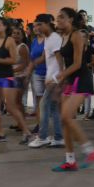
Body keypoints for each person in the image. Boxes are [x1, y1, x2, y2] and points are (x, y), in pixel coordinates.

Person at [50, 8, 94, 171]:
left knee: (66, 116)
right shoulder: (63, 36)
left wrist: (58, 77)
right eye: (57, 17)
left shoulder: (77, 35)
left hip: (82, 80)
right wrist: (62, 82)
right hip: (71, 80)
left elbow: (77, 63)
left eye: (61, 17)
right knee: (65, 120)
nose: (58, 20)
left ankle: (89, 150)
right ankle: (70, 160)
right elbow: (66, 62)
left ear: (71, 19)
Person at [0, 18, 31, 144]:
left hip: (8, 77)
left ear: (5, 27)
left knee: (11, 107)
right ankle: (0, 133)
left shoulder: (9, 40)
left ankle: (26, 132)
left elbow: (14, 60)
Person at [28, 14, 65, 148]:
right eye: (36, 25)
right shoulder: (48, 38)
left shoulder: (54, 38)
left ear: (47, 24)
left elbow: (60, 60)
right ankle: (59, 137)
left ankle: (42, 137)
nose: (37, 28)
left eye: (39, 24)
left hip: (55, 79)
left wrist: (58, 78)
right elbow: (46, 57)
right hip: (51, 78)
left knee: (43, 105)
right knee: (53, 108)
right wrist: (33, 65)